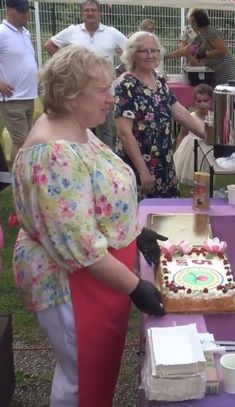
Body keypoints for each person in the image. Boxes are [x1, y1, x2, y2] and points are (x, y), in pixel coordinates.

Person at [11, 45, 166, 407]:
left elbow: (92, 195)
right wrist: (136, 286)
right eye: (102, 90)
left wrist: (133, 229)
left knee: (93, 373)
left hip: (96, 276)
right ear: (69, 94)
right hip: (73, 282)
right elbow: (77, 245)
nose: (112, 98)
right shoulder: (53, 154)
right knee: (81, 381)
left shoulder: (77, 127)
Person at [115, 31, 204, 199]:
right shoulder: (126, 85)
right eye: (143, 51)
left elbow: (178, 111)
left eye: (154, 50)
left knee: (168, 215)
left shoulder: (158, 78)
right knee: (143, 217)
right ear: (132, 54)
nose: (150, 55)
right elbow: (124, 133)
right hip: (139, 165)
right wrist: (143, 171)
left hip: (164, 162)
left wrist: (207, 135)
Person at [43, 0, 127, 149]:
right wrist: (67, 66)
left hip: (105, 92)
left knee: (105, 130)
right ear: (82, 13)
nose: (90, 13)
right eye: (86, 10)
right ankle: (81, 158)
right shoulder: (72, 31)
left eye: (93, 10)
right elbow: (49, 45)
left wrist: (120, 69)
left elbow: (131, 51)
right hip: (78, 92)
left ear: (99, 13)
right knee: (79, 127)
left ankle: (105, 163)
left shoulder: (111, 32)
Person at [0, 0, 38, 163]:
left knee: (28, 140)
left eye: (27, 10)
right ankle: (17, 179)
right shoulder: (1, 32)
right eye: (21, 11)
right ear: (9, 11)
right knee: (20, 140)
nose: (25, 14)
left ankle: (24, 173)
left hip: (29, 96)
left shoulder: (25, 33)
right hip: (13, 98)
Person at [183, 9, 235, 87]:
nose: (190, 25)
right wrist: (167, 56)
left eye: (192, 22)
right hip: (214, 69)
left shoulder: (211, 32)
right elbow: (185, 50)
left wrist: (205, 54)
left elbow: (222, 49)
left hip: (224, 68)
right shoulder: (200, 35)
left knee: (221, 92)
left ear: (198, 22)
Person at [173, 83, 212, 186]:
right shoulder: (190, 118)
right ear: (194, 102)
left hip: (208, 152)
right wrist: (177, 153)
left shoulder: (214, 118)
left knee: (207, 182)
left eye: (205, 100)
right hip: (191, 152)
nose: (202, 104)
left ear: (211, 101)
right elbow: (182, 134)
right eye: (199, 101)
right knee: (194, 181)